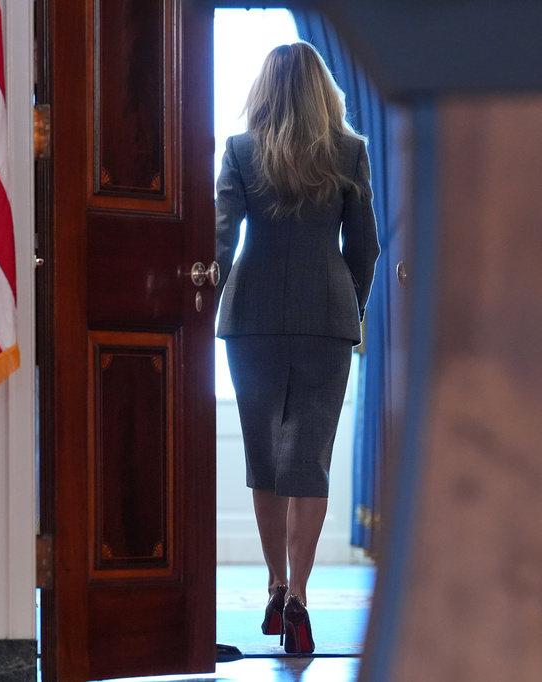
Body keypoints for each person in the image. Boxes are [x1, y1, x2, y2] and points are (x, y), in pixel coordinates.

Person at [214, 41, 379, 656]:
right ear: (322, 91)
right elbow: (365, 246)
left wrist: (204, 293)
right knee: (307, 457)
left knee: (264, 457)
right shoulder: (350, 152)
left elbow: (221, 237)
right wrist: (350, 307)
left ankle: (275, 584)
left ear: (265, 90)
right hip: (326, 319)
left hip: (251, 315)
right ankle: (301, 597)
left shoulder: (240, 150)